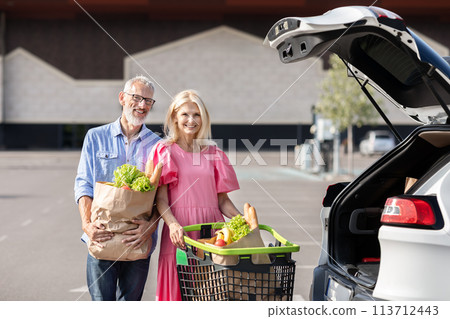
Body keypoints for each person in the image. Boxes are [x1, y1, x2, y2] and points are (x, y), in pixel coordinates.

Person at [74, 75, 161, 301]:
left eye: (148, 101)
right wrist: (87, 225)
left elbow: (163, 193)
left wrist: (149, 227)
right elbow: (84, 183)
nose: (142, 105)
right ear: (122, 98)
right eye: (137, 98)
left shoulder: (158, 145)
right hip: (102, 234)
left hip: (137, 238)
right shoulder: (95, 137)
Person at [152, 89, 241, 301]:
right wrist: (173, 224)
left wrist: (241, 221)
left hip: (213, 234)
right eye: (185, 114)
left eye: (197, 114)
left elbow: (222, 200)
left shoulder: (215, 154)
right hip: (180, 233)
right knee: (178, 295)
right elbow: (160, 200)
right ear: (174, 116)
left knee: (212, 295)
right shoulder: (164, 150)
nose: (191, 120)